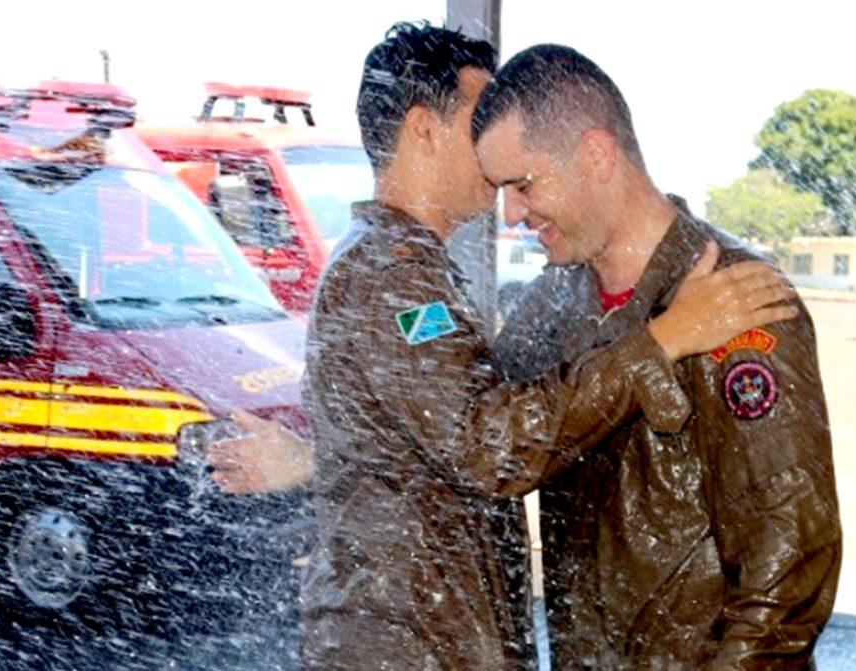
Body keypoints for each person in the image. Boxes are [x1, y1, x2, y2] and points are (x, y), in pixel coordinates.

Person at [289, 22, 798, 671]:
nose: (496, 140)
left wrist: (309, 457)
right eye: (480, 118)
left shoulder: (398, 264)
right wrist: (665, 336)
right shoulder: (396, 276)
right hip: (411, 648)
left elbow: (435, 425)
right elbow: (487, 443)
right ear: (422, 128)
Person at [472, 44, 840, 669]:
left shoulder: (740, 298)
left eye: (522, 184)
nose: (510, 214)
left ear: (595, 154)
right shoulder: (558, 298)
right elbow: (491, 443)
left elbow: (788, 572)